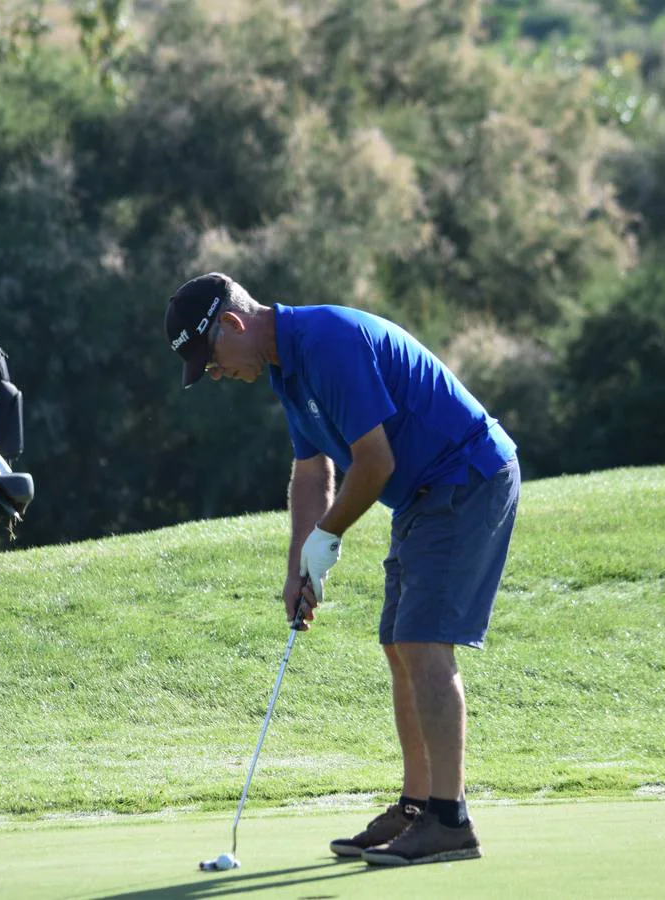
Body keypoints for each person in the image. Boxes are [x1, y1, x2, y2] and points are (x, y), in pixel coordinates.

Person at [165, 272, 520, 866]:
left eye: (213, 359)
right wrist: (297, 569)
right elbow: (312, 472)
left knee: (423, 641)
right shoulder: (287, 370)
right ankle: (418, 808)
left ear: (232, 323)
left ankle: (450, 820)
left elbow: (374, 461)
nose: (217, 373)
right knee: (398, 645)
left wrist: (327, 537)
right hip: (423, 494)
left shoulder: (324, 341)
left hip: (468, 476)